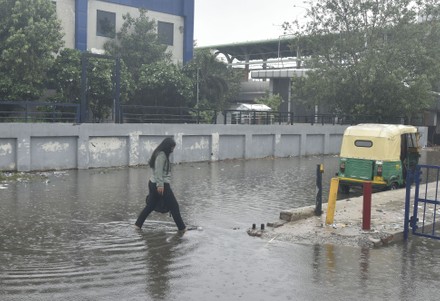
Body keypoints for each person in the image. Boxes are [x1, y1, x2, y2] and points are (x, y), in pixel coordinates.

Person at [135, 137, 186, 231]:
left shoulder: (159, 153)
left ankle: (137, 225)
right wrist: (160, 185)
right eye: (172, 148)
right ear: (167, 147)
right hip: (161, 185)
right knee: (174, 206)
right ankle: (182, 229)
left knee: (150, 206)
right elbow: (158, 171)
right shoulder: (161, 155)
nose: (172, 151)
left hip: (154, 183)